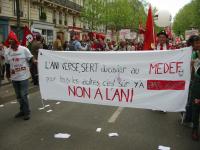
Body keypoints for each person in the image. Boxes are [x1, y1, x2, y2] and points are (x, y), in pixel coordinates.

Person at [4, 31, 36, 120]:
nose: (10, 41)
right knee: (18, 96)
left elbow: (31, 57)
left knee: (23, 94)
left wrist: (34, 61)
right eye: (9, 39)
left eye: (11, 39)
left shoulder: (24, 49)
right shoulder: (7, 51)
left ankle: (26, 112)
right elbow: (7, 64)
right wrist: (7, 75)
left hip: (24, 76)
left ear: (15, 40)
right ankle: (22, 110)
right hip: (14, 78)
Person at [189, 35, 200, 141]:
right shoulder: (194, 54)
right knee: (196, 106)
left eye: (198, 42)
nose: (198, 45)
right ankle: (195, 129)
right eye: (196, 43)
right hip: (197, 83)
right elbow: (191, 69)